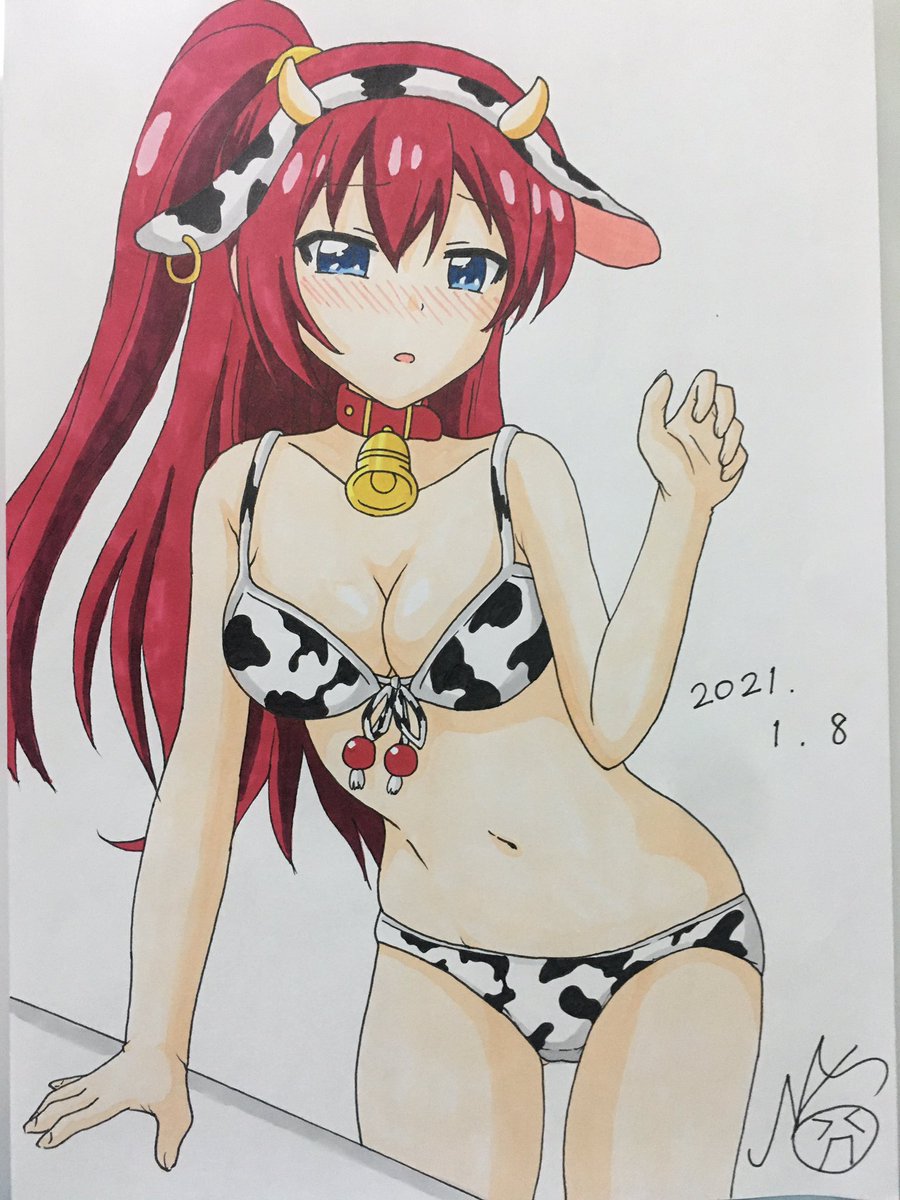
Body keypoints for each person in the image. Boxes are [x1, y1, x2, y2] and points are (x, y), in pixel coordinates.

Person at [11, 3, 761, 1197]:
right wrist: (156, 1044)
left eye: (465, 269)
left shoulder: (519, 473)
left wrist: (684, 511)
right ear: (272, 256)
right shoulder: (242, 494)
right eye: (347, 258)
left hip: (662, 931)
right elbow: (198, 794)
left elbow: (613, 723)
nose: (411, 312)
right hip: (436, 956)